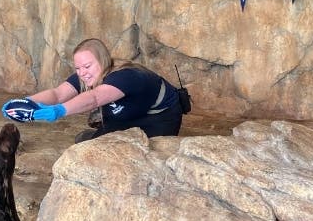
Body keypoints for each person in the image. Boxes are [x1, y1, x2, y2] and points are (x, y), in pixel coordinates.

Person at [10, 38, 183, 143]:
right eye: (78, 68)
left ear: (103, 60)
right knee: (89, 145)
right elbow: (58, 94)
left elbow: (94, 98)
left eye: (87, 66)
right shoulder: (89, 74)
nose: (82, 73)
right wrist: (27, 102)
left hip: (159, 118)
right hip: (131, 114)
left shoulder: (127, 76)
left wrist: (59, 111)